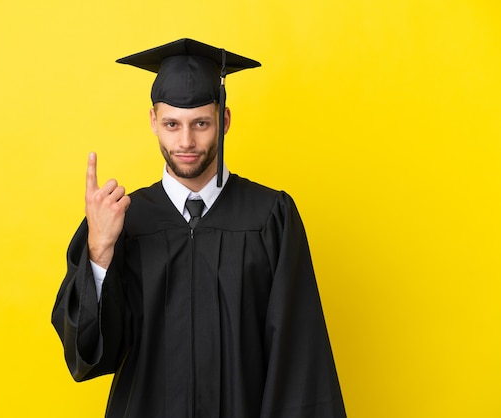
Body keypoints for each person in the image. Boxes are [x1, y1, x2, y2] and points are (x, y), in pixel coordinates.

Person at [51, 38, 346, 418]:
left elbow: (299, 358)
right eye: (172, 124)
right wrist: (99, 252)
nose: (186, 141)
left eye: (201, 124)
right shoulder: (124, 221)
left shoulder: (271, 217)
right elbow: (88, 356)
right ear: (153, 121)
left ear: (224, 120)